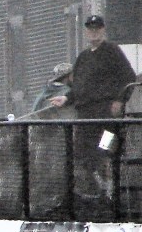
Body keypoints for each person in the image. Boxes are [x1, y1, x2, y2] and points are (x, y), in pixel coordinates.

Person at [50, 15, 136, 196]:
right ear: (86, 32)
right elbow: (78, 87)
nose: (94, 32)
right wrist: (66, 98)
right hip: (86, 118)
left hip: (106, 117)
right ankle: (96, 193)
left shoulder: (112, 51)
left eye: (97, 28)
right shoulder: (83, 57)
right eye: (91, 29)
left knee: (106, 151)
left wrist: (120, 100)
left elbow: (129, 77)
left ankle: (113, 192)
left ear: (103, 30)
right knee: (83, 155)